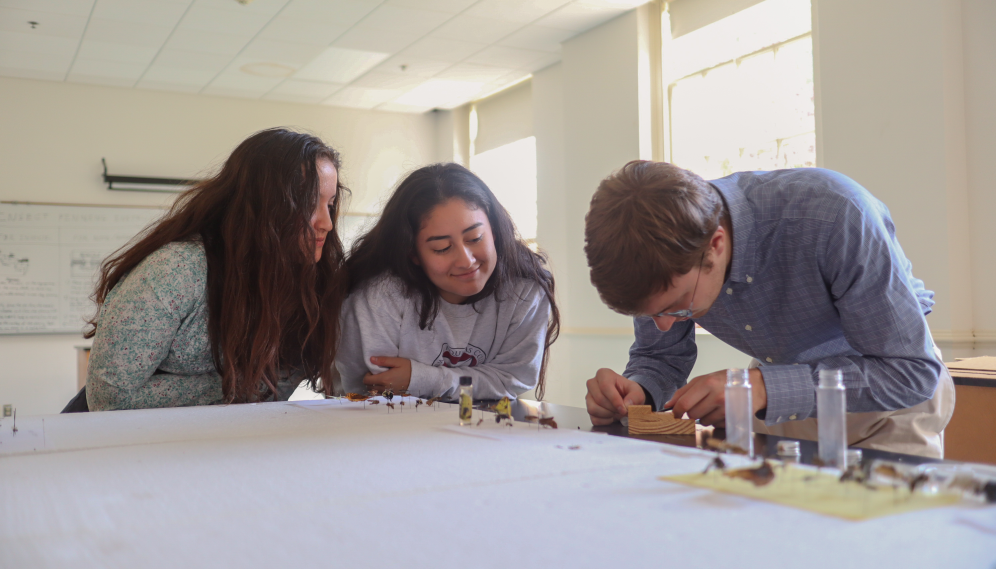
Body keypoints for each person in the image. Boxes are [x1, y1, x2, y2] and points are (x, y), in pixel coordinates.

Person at [582, 161, 954, 458]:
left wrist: (761, 388)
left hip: (887, 406)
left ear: (715, 244)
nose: (663, 325)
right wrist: (640, 392)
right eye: (651, 314)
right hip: (777, 403)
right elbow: (659, 357)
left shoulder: (836, 214)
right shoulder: (657, 253)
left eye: (678, 307)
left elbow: (910, 372)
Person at [84, 128, 349, 411]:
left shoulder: (310, 282)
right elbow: (109, 398)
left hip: (219, 441)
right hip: (126, 441)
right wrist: (243, 383)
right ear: (264, 205)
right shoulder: (176, 269)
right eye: (310, 203)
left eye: (330, 204)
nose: (327, 223)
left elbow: (275, 391)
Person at [336, 163, 560, 401]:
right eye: (442, 248)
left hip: (484, 431)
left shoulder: (526, 290)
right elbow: (376, 391)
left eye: (475, 238)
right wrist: (478, 383)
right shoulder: (379, 297)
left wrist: (422, 379)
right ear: (413, 253)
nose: (466, 260)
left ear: (494, 229)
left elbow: (513, 379)